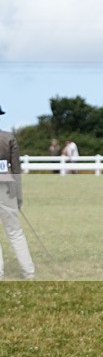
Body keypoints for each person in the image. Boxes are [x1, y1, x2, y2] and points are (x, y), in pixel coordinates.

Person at [0, 105, 36, 280]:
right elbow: (16, 170)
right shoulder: (9, 138)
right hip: (7, 189)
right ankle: (28, 271)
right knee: (15, 232)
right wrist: (19, 196)